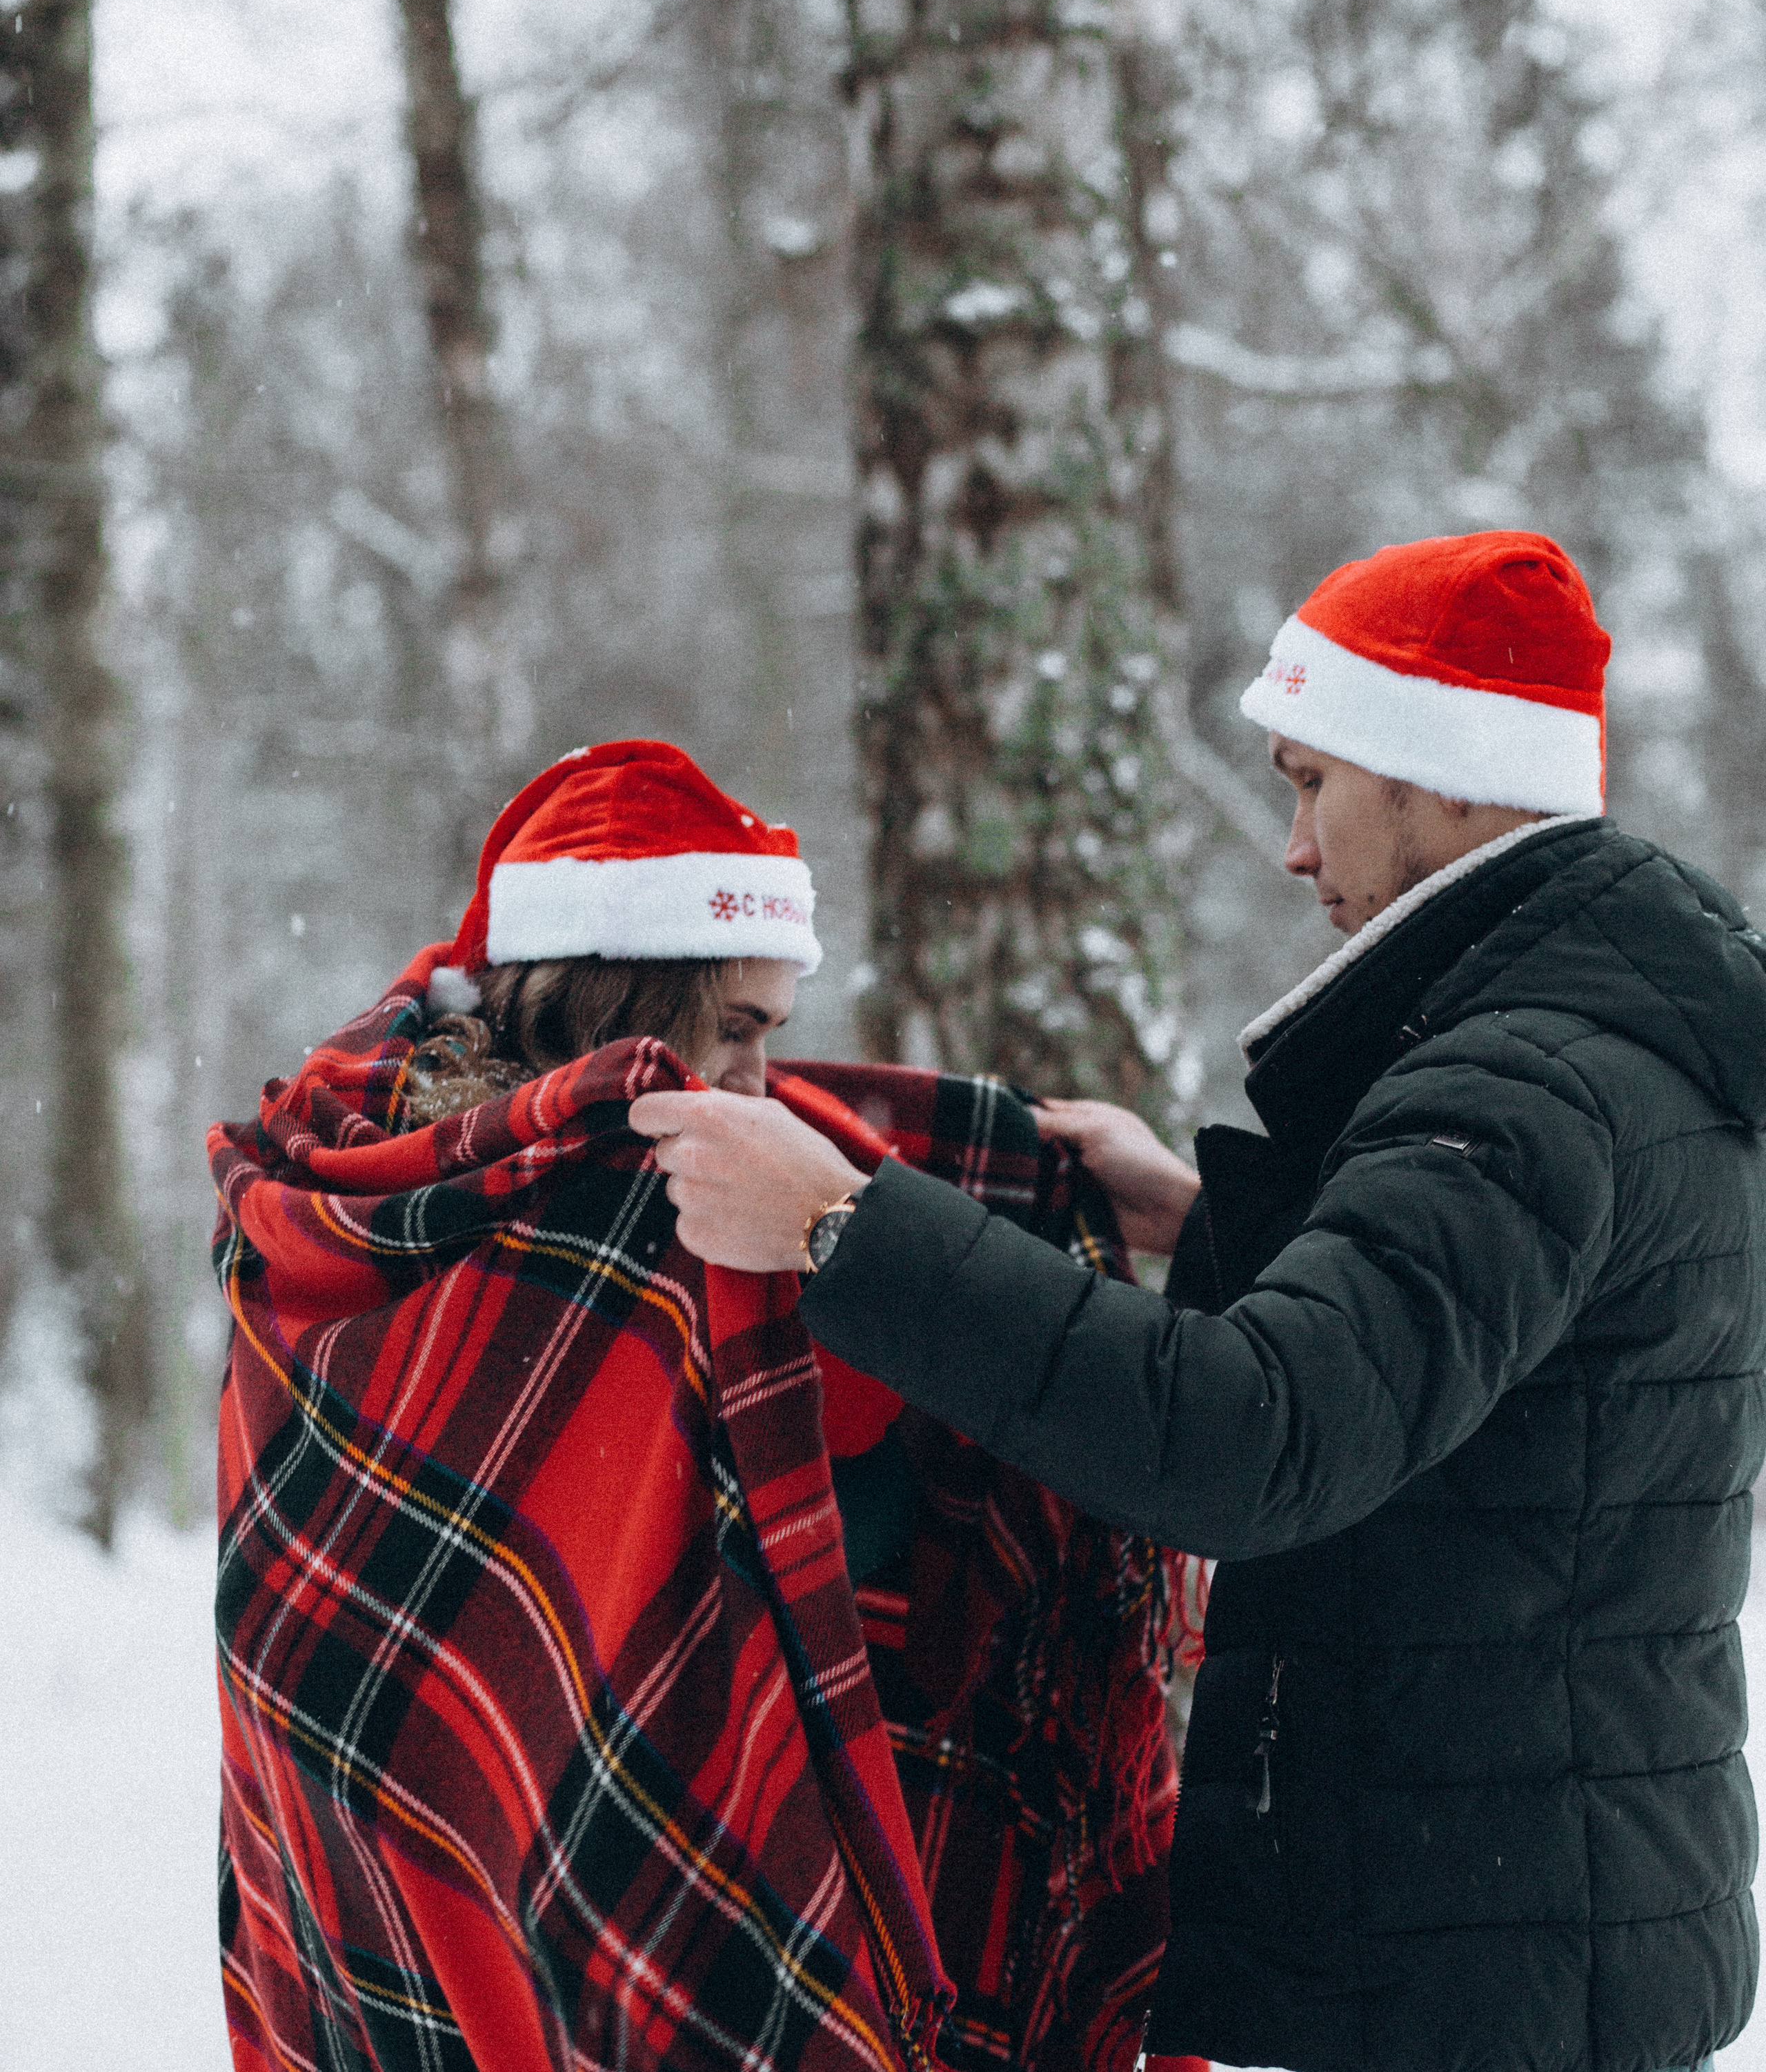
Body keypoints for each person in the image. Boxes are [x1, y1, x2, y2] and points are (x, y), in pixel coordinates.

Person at [631, 532, 1766, 2072]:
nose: (1292, 846)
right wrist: (1209, 1216)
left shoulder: (1516, 1089)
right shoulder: (1612, 1041)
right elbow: (1484, 1371)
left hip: (1468, 1980)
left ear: (1433, 778)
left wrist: (842, 1227)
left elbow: (1247, 1442)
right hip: (1534, 1926)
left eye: (1311, 781)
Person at [209, 739, 1194, 2072]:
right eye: (736, 1031)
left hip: (472, 1882)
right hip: (453, 1847)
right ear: (628, 999)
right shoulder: (597, 1230)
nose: (757, 1086)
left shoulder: (345, 1196)